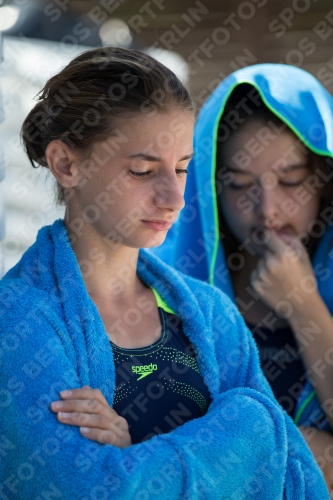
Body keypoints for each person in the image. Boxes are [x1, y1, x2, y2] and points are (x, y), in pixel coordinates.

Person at [0, 49, 329, 499]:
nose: (175, 197)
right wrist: (250, 426)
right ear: (66, 164)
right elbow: (86, 489)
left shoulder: (211, 314)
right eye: (143, 170)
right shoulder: (18, 322)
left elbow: (293, 482)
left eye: (181, 168)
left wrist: (136, 449)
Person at [152, 63, 333, 493]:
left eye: (290, 181)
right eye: (238, 184)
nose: (267, 209)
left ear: (324, 179)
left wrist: (305, 306)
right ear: (209, 187)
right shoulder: (167, 279)